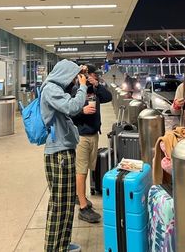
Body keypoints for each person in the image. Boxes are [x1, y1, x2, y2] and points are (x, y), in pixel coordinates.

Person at [40, 59, 90, 252]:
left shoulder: (57, 89)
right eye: (72, 76)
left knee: (67, 203)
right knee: (59, 205)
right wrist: (83, 87)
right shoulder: (50, 89)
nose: (73, 81)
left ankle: (62, 244)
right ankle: (53, 247)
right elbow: (72, 107)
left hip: (64, 150)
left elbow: (68, 103)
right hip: (58, 153)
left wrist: (79, 81)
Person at [72, 63, 112, 223]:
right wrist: (82, 111)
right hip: (81, 136)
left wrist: (97, 85)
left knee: (87, 168)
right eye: (88, 75)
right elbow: (69, 112)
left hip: (94, 134)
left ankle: (81, 197)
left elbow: (108, 97)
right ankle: (83, 207)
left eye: (93, 76)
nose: (91, 78)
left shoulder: (94, 89)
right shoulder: (76, 90)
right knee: (81, 170)